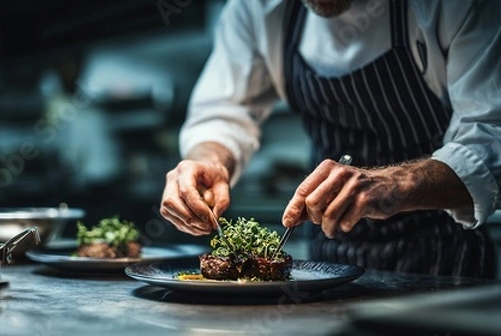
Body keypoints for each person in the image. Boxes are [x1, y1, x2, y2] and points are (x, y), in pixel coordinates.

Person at [160, 0, 501, 278]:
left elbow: (491, 134)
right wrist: (209, 161)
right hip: (327, 266)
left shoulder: (459, 6)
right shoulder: (256, 10)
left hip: (442, 260)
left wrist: (396, 185)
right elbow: (223, 113)